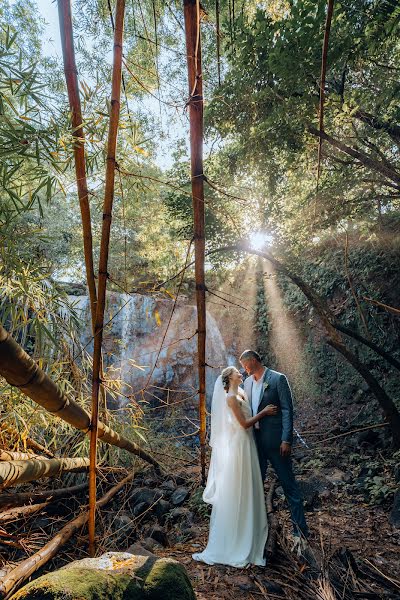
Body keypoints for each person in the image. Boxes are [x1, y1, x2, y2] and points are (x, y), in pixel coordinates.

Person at [192, 366, 278, 567]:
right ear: (229, 377)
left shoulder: (240, 392)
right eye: (237, 372)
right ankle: (237, 540)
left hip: (247, 443)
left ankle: (252, 532)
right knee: (240, 486)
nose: (241, 373)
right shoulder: (230, 397)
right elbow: (244, 424)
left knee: (250, 486)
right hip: (239, 444)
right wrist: (264, 412)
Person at [240, 349, 309, 542]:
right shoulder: (246, 383)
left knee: (289, 485)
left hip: (277, 442)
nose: (244, 369)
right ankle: (258, 533)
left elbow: (287, 409)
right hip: (255, 443)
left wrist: (286, 439)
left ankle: (300, 532)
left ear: (253, 361)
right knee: (256, 486)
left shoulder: (278, 379)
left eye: (245, 365)